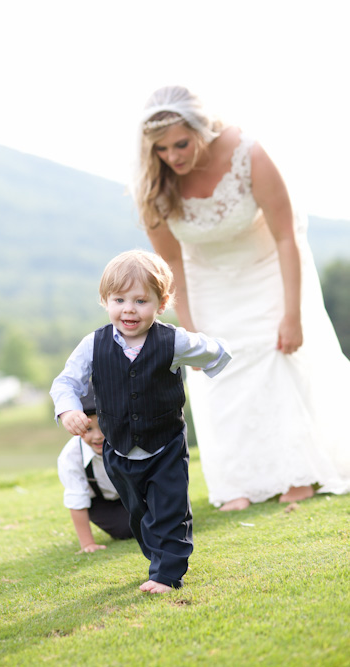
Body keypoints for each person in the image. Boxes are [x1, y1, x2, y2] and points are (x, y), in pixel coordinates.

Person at [134, 85, 350, 511]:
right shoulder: (154, 187)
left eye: (181, 143)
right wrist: (190, 330)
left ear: (201, 130)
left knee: (276, 356)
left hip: (269, 268)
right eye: (161, 149)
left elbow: (286, 235)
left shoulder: (247, 152)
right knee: (217, 372)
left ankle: (299, 474)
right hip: (206, 283)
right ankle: (239, 483)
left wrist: (293, 314)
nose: (173, 156)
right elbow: (172, 264)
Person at [50, 250, 231, 592]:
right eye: (119, 300)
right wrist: (69, 410)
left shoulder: (173, 340)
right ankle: (157, 560)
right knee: (140, 517)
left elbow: (214, 351)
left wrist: (211, 359)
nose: (129, 309)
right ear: (105, 301)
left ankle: (167, 574)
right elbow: (66, 383)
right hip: (119, 451)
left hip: (165, 445)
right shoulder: (93, 345)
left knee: (170, 510)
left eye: (140, 300)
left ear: (161, 304)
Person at [57, 381, 133, 552]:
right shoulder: (70, 457)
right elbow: (77, 500)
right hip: (101, 502)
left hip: (134, 493)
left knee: (155, 521)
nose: (98, 436)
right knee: (126, 530)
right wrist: (88, 544)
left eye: (103, 426)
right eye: (88, 429)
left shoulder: (128, 439)